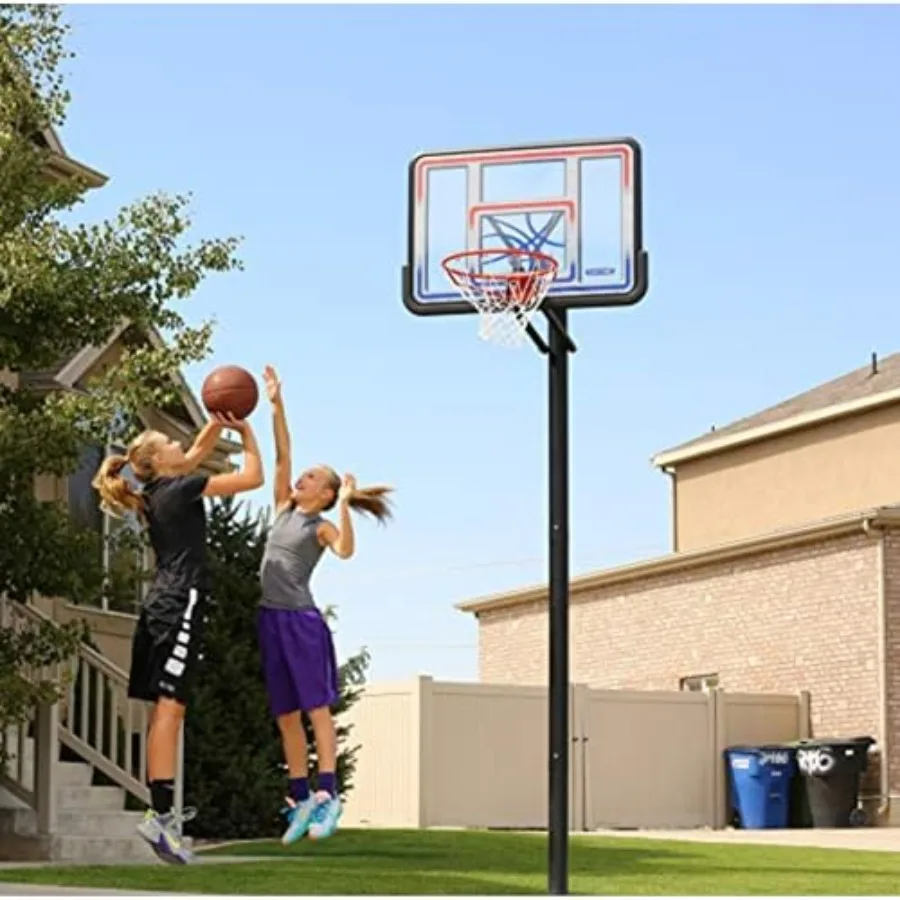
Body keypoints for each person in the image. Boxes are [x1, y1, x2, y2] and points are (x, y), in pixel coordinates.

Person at [92, 414, 263, 863]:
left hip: (159, 607)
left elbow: (191, 454)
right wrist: (246, 435)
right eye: (169, 441)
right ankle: (161, 818)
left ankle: (161, 814)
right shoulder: (180, 488)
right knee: (170, 712)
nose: (178, 444)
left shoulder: (155, 492)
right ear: (156, 459)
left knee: (164, 715)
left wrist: (217, 423)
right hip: (180, 604)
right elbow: (253, 478)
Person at [259, 365, 393, 844]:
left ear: (327, 492)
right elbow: (282, 453)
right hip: (270, 620)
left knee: (316, 709)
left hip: (301, 622)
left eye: (311, 476)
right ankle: (299, 797)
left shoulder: (321, 525)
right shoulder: (282, 507)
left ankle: (327, 795)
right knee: (286, 715)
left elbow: (346, 552)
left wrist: (346, 507)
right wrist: (276, 403)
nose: (301, 476)